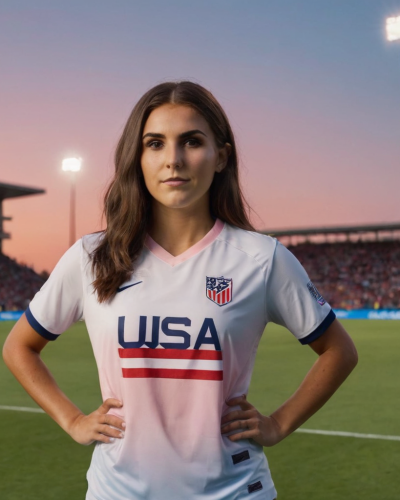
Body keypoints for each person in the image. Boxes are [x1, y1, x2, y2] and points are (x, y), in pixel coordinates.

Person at [3, 81, 358, 500]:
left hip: (235, 490)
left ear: (221, 156)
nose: (173, 160)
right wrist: (73, 421)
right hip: (116, 491)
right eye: (155, 143)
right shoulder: (92, 257)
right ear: (138, 158)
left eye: (191, 141)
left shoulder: (262, 259)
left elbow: (339, 351)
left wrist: (277, 423)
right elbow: (19, 347)